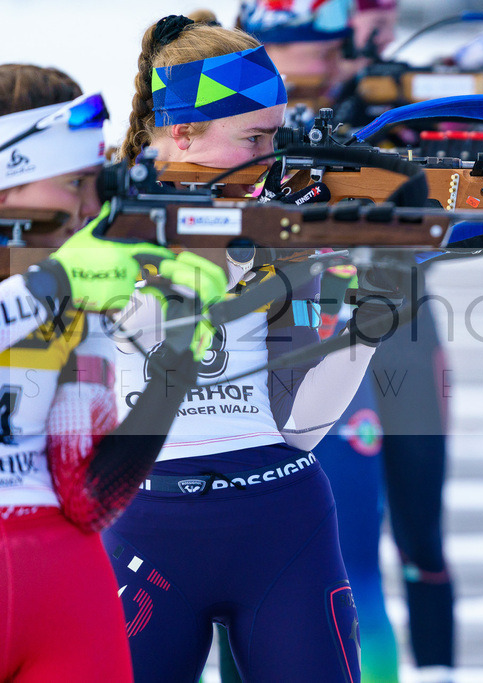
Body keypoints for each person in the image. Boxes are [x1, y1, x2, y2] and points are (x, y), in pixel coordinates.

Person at [101, 14, 391, 682]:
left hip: (284, 517)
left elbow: (300, 426)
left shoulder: (272, 222)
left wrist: (366, 307)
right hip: (148, 524)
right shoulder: (111, 218)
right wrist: (251, 244)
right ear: (183, 134)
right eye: (255, 138)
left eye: (277, 135)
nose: (273, 154)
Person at [240, 4, 458, 681]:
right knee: (283, 559)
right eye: (299, 48)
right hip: (292, 335)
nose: (317, 63)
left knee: (419, 536)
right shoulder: (240, 120)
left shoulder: (382, 97)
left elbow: (448, 211)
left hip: (396, 332)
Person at [0, 64, 225, 682]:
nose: (90, 207)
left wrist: (176, 362)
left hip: (63, 582)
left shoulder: (70, 293)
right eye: (74, 183)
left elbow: (90, 495)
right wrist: (53, 283)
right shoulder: (57, 283)